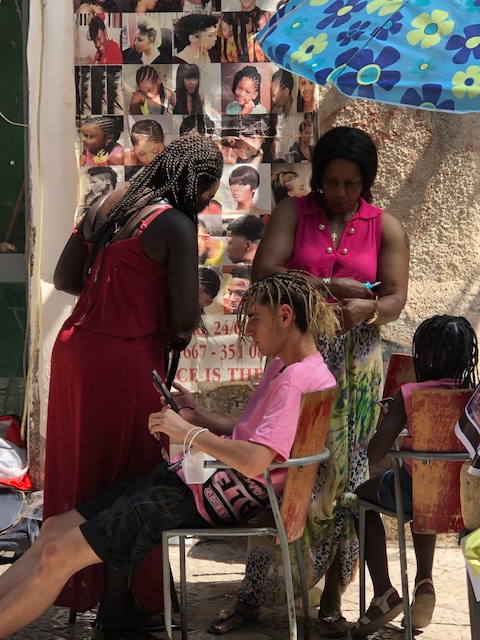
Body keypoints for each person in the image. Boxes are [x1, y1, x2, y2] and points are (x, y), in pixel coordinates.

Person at [0, 273, 339, 640]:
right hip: (190, 482)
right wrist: (198, 416)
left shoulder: (293, 379)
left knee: (58, 554)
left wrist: (186, 433)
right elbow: (253, 431)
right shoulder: (298, 368)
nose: (248, 330)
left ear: (285, 316)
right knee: (53, 529)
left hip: (202, 498)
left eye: (255, 318)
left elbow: (254, 459)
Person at [209, 126, 410, 637]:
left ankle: (333, 599)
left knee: (345, 480)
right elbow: (265, 272)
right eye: (331, 181)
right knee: (283, 472)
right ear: (318, 177)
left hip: (357, 369)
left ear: (367, 180)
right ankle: (253, 595)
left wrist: (368, 309)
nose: (340, 192)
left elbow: (395, 297)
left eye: (351, 183)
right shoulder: (293, 213)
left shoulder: (386, 226)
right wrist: (324, 285)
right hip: (299, 360)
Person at [43, 135, 224, 637]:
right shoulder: (176, 223)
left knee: (88, 473)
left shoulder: (106, 203)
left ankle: (100, 596)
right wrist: (153, 313)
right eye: (206, 193)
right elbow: (184, 317)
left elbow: (65, 277)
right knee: (131, 479)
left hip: (77, 349)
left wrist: (117, 296)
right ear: (196, 182)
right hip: (125, 359)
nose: (203, 202)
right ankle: (116, 609)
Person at [352, 315, 479, 637]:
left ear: (427, 354)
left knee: (358, 499)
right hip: (463, 499)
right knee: (426, 490)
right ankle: (424, 582)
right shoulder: (474, 396)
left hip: (414, 492)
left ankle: (384, 592)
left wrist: (390, 419)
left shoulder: (409, 394)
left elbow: (375, 454)